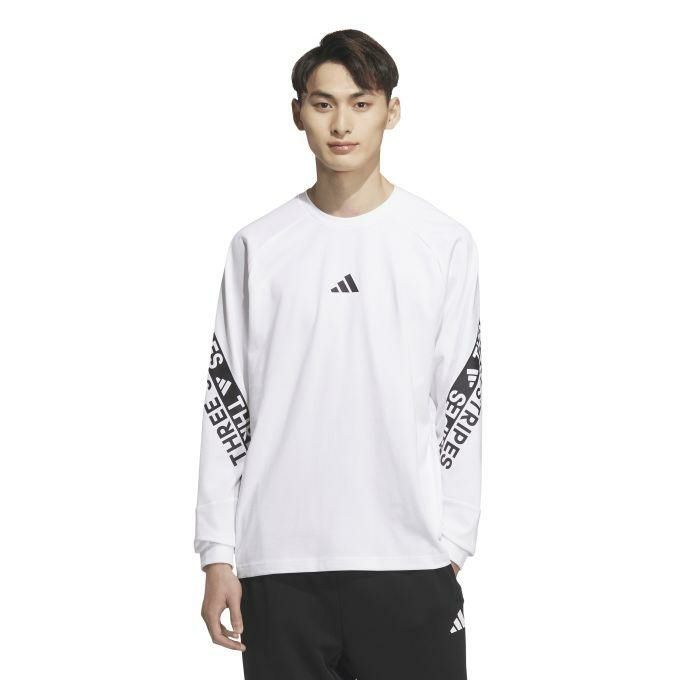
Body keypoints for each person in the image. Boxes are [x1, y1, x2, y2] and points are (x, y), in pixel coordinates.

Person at [194, 28, 482, 680]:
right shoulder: (259, 247)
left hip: (409, 562)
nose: (342, 124)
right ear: (298, 113)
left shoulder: (442, 243)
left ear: (392, 112)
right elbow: (226, 405)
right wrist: (218, 552)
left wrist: (453, 541)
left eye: (361, 103)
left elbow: (461, 397)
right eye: (323, 104)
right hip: (280, 565)